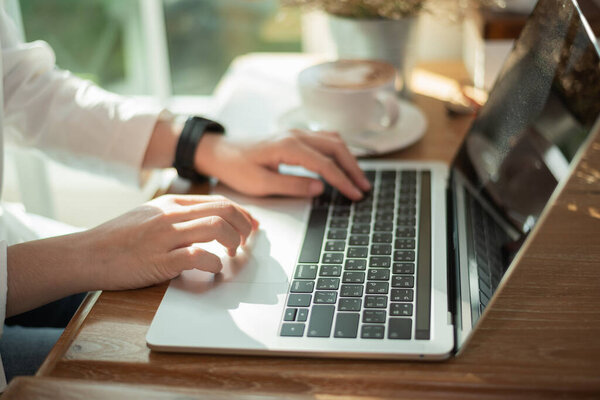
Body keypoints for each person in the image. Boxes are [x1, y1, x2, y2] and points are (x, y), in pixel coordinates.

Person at [0, 7, 371, 389]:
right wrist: (93, 252)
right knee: (203, 377)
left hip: (12, 246)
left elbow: (19, 87)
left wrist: (202, 147)